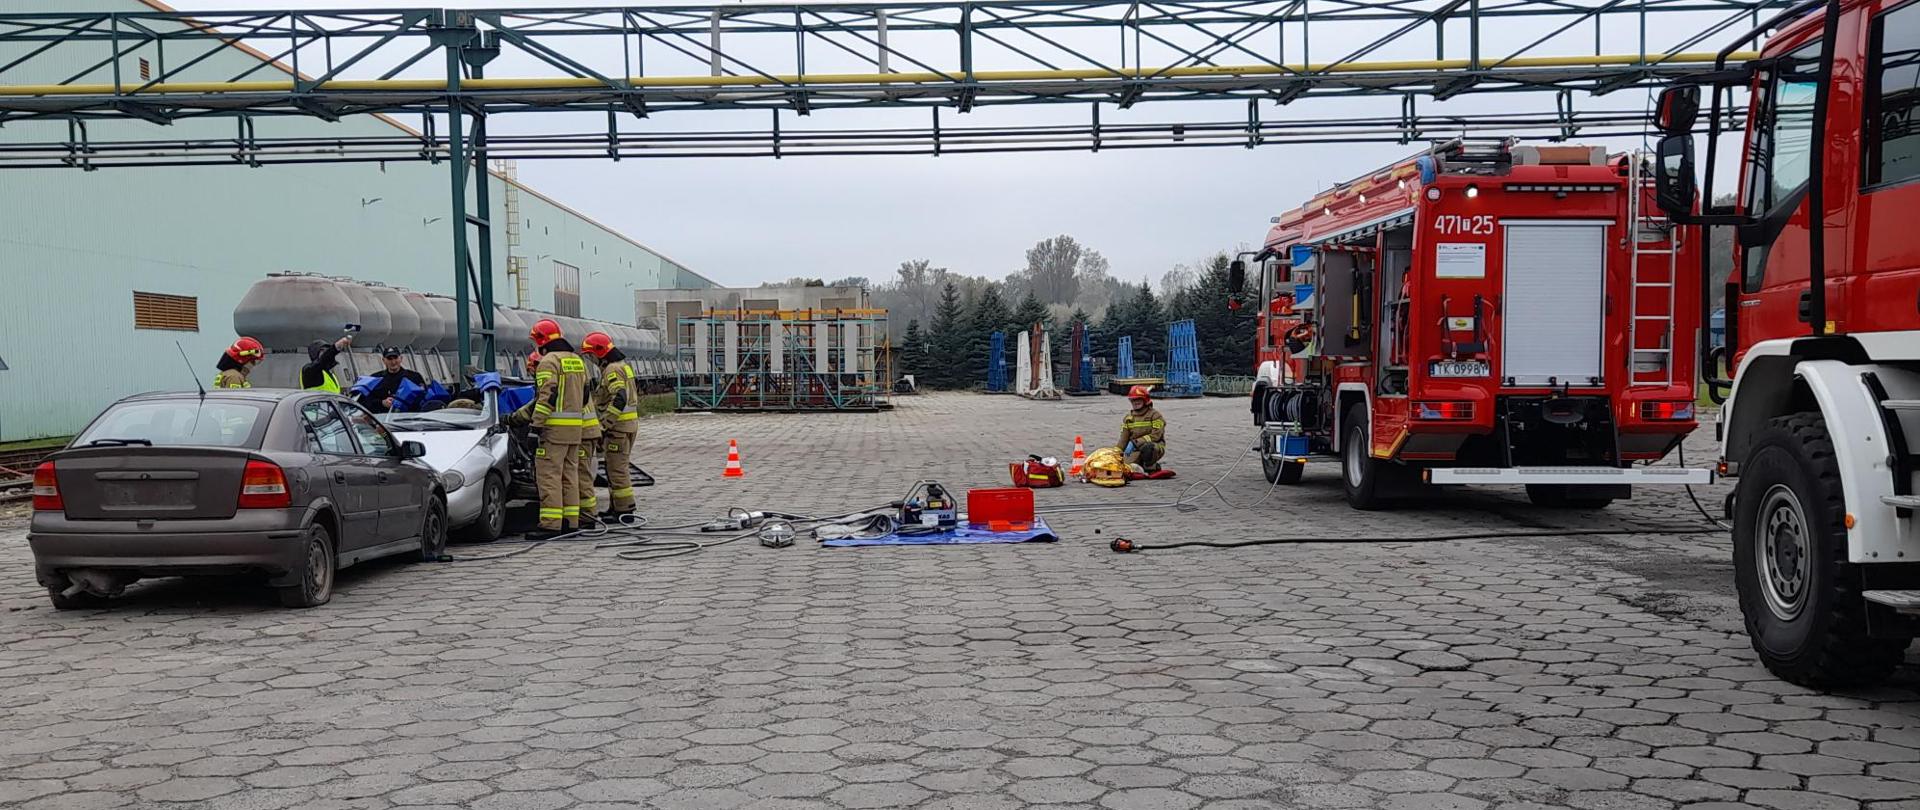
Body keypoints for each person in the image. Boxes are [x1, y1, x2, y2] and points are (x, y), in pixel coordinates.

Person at [525, 320, 589, 539]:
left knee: (549, 476)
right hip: (575, 430)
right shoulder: (578, 361)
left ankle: (551, 524)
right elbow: (586, 394)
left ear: (542, 341)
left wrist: (535, 427)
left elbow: (547, 396)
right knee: (569, 475)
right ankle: (571, 522)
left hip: (553, 431)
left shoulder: (548, 362)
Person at [581, 331, 641, 520]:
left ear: (599, 353)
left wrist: (605, 424)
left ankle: (625, 510)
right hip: (628, 426)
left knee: (617, 469)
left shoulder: (612, 370)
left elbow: (620, 397)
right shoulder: (623, 366)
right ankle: (618, 507)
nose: (591, 360)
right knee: (615, 467)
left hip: (619, 429)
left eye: (591, 355)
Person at [358, 347, 427, 414]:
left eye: (395, 358)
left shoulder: (414, 377)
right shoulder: (375, 379)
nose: (393, 362)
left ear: (401, 358)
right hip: (382, 421)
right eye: (389, 359)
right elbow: (364, 400)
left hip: (409, 419)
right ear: (383, 360)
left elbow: (424, 398)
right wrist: (382, 403)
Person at [1117, 384, 1167, 473]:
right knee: (1124, 467)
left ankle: (1150, 466)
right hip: (1135, 449)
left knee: (1148, 448)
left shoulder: (1155, 415)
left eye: (1138, 400)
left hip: (1154, 446)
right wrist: (1116, 451)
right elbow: (1123, 439)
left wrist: (1134, 443)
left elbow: (1156, 435)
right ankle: (1140, 464)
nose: (1135, 402)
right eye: (1133, 400)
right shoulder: (1128, 418)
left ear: (1145, 400)